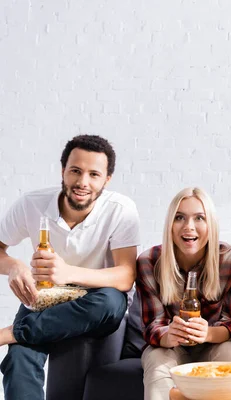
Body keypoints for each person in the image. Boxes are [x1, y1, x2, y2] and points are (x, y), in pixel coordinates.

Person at [0, 134, 140, 399]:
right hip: (46, 297)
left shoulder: (120, 210)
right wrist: (15, 266)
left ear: (107, 180)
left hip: (97, 299)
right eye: (75, 171)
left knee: (110, 302)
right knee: (19, 360)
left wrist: (68, 273)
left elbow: (126, 276)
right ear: (63, 170)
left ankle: (13, 333)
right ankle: (19, 337)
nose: (82, 182)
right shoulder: (32, 204)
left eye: (94, 174)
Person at [136, 187, 231, 400]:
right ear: (170, 225)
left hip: (213, 344)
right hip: (169, 348)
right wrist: (170, 334)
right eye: (179, 218)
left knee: (230, 351)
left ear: (210, 225)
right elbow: (152, 326)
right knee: (157, 358)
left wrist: (207, 333)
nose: (189, 227)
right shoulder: (148, 261)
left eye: (199, 218)